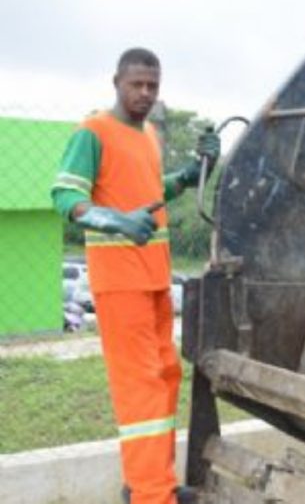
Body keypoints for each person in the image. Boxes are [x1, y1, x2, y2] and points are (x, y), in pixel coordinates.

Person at [51, 48, 220, 504]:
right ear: (117, 83)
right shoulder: (93, 132)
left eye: (152, 86)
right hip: (119, 283)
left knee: (164, 377)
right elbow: (65, 196)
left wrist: (189, 175)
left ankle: (150, 483)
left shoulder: (147, 135)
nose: (145, 93)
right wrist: (115, 220)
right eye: (136, 84)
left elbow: (150, 189)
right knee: (141, 388)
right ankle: (152, 496)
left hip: (154, 279)